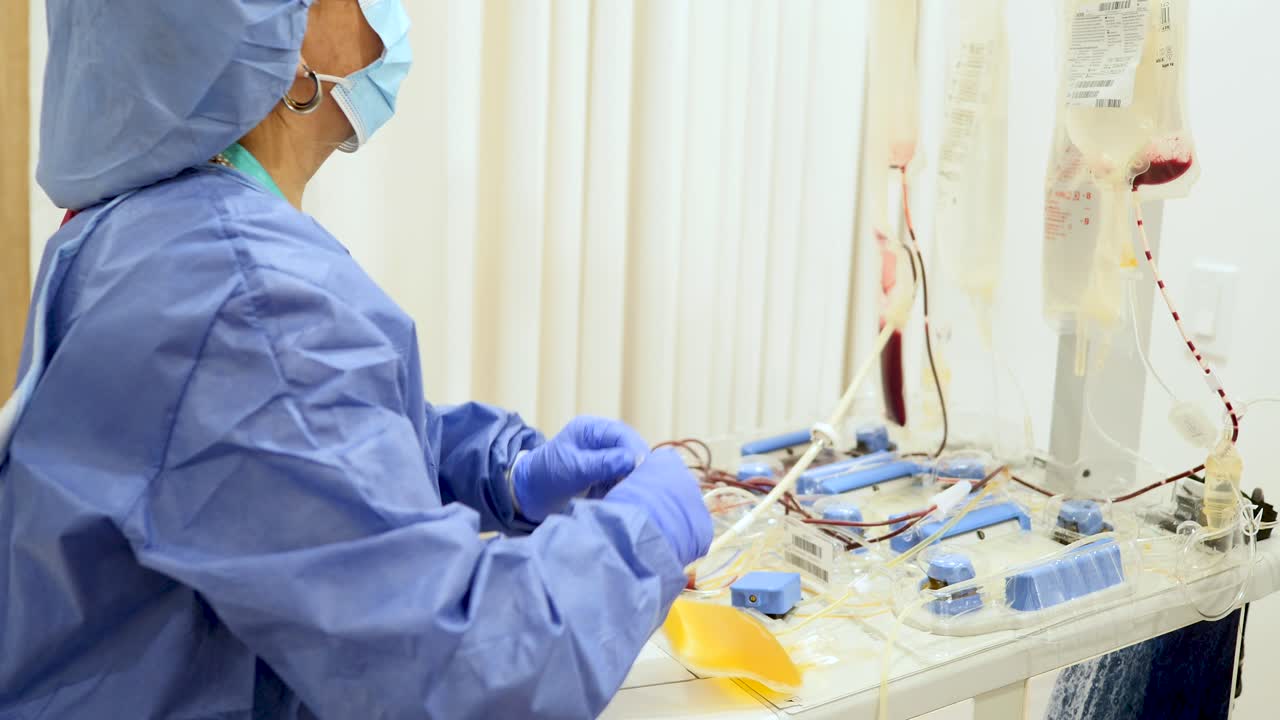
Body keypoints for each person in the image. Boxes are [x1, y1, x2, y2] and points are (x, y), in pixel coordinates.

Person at [0, 1, 712, 718]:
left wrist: (501, 474)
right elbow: (461, 671)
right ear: (287, 34)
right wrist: (642, 541)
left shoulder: (146, 237)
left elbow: (276, 466)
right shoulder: (244, 296)